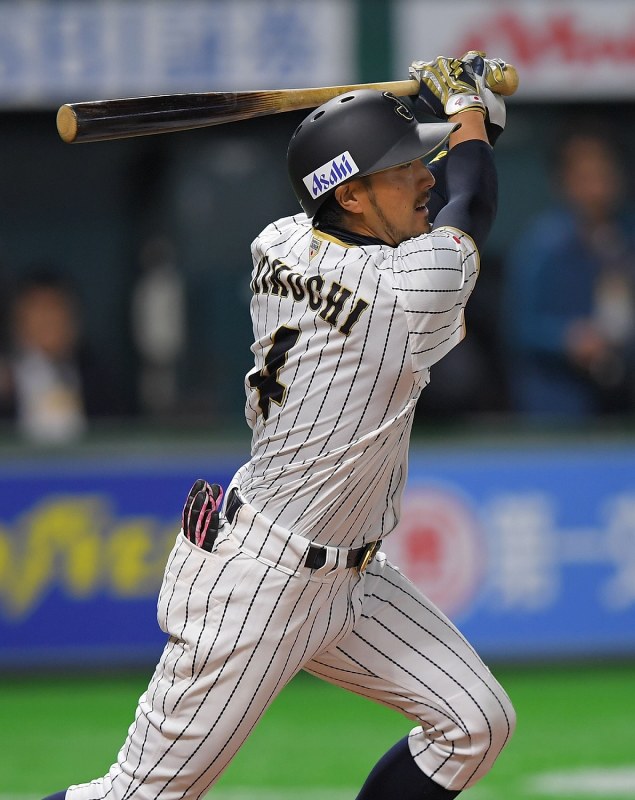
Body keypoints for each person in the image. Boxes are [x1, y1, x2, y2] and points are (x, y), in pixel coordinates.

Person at [43, 52, 515, 800]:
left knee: (472, 721)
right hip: (258, 584)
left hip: (349, 576)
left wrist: (455, 118)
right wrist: (468, 115)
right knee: (137, 796)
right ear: (351, 197)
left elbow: (434, 188)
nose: (423, 175)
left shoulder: (282, 239)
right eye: (400, 168)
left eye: (419, 160)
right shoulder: (397, 294)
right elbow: (471, 205)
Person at [501, 130, 635, 417]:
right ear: (564, 182)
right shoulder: (541, 246)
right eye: (586, 177)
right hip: (558, 399)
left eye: (604, 175)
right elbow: (520, 327)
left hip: (622, 392)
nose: (597, 189)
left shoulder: (626, 238)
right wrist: (568, 339)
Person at [0, 269, 128, 443]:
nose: (47, 321)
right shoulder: (6, 378)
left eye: (54, 308)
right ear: (18, 318)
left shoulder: (99, 379)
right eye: (37, 309)